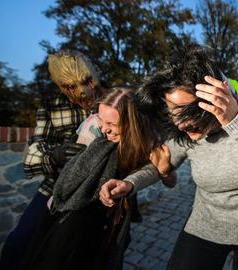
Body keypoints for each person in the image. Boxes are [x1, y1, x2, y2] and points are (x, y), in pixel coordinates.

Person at [99, 45, 238, 270]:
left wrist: (235, 121)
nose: (181, 124)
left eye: (188, 113)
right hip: (206, 226)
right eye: (174, 114)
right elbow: (160, 162)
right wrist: (129, 184)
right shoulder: (184, 130)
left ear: (213, 97)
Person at [21, 87, 172, 270]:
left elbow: (170, 181)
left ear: (132, 122)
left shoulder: (147, 138)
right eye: (101, 119)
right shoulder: (93, 128)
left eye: (112, 123)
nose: (104, 127)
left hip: (115, 215)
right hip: (79, 210)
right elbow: (75, 175)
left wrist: (163, 169)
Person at [0, 50, 104, 270]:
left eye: (87, 81)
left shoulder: (115, 98)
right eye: (70, 87)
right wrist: (53, 156)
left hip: (102, 189)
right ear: (59, 85)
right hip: (57, 185)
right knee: (19, 243)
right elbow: (34, 151)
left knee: (105, 250)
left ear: (95, 70)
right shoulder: (51, 104)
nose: (83, 92)